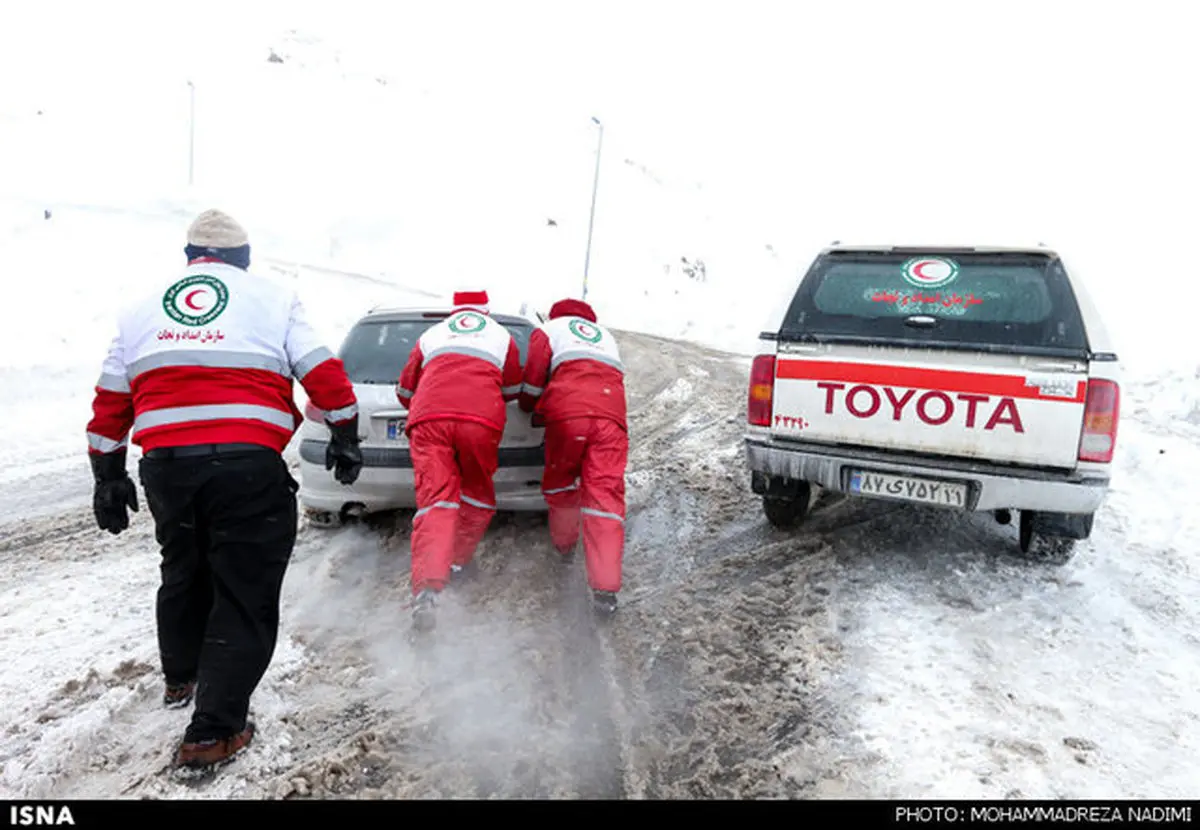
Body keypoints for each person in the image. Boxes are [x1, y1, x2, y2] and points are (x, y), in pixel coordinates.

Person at [85, 209, 363, 772]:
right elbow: (322, 372)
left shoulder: (141, 307)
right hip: (245, 466)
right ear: (243, 259)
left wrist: (107, 475)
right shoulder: (272, 298)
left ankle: (181, 678)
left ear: (191, 258)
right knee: (243, 589)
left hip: (166, 465)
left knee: (183, 568)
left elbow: (112, 399)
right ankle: (214, 731)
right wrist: (345, 431)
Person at [395, 289, 523, 632]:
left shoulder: (432, 334)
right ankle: (457, 562)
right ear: (487, 310)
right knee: (477, 492)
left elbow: (405, 390)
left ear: (454, 311)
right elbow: (512, 389)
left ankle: (426, 587)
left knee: (436, 500)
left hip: (429, 419)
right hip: (480, 420)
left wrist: (430, 405)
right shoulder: (501, 335)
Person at [518, 297, 628, 616]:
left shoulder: (549, 329)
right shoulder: (606, 337)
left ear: (555, 314)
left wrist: (529, 406)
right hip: (611, 420)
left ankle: (565, 546)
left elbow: (534, 379)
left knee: (561, 481)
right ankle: (605, 591)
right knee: (605, 499)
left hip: (569, 417)